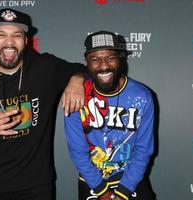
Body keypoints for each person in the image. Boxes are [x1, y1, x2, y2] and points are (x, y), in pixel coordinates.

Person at [0, 8, 86, 200]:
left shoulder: (45, 68)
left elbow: (84, 69)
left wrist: (77, 79)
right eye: (1, 34)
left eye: (17, 35)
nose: (9, 42)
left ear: (26, 41)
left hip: (37, 186)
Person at [64, 31, 155, 200]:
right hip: (92, 181)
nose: (104, 66)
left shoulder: (141, 96)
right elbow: (78, 151)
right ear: (87, 63)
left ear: (120, 59)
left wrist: (123, 191)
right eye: (95, 59)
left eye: (110, 58)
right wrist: (102, 192)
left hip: (131, 179)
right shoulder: (76, 95)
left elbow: (143, 150)